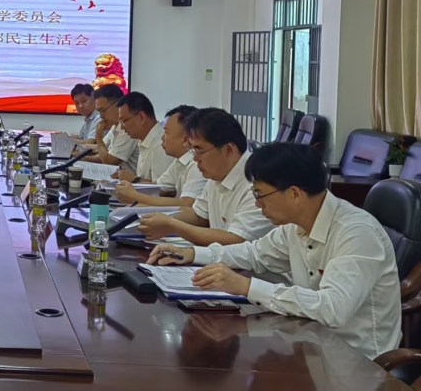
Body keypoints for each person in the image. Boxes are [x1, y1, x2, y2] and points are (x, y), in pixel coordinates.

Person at [149, 142, 401, 360]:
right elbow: (254, 254)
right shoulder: (295, 225)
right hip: (310, 345)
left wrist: (246, 286)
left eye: (260, 195)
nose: (257, 204)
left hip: (359, 363)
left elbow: (332, 309)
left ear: (294, 193)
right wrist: (192, 254)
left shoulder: (356, 233)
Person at [138, 108, 272, 245]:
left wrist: (173, 225)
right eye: (193, 151)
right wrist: (150, 214)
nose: (195, 159)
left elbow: (236, 240)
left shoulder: (258, 182)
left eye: (200, 151)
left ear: (228, 149)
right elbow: (198, 216)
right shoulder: (217, 173)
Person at [116, 104, 206, 207]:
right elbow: (157, 187)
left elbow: (187, 203)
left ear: (185, 139)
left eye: (166, 133)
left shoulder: (197, 163)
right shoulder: (179, 162)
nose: (162, 138)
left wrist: (136, 196)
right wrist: (121, 187)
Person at [114, 91, 172, 183]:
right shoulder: (144, 140)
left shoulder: (161, 145)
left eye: (124, 121)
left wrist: (134, 179)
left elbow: (162, 189)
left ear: (141, 117)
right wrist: (126, 176)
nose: (122, 127)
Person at [83, 84, 139, 173]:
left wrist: (98, 136)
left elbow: (109, 162)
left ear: (118, 105)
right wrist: (81, 157)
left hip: (132, 180)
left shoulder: (127, 128)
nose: (101, 116)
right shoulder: (115, 126)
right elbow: (101, 151)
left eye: (103, 111)